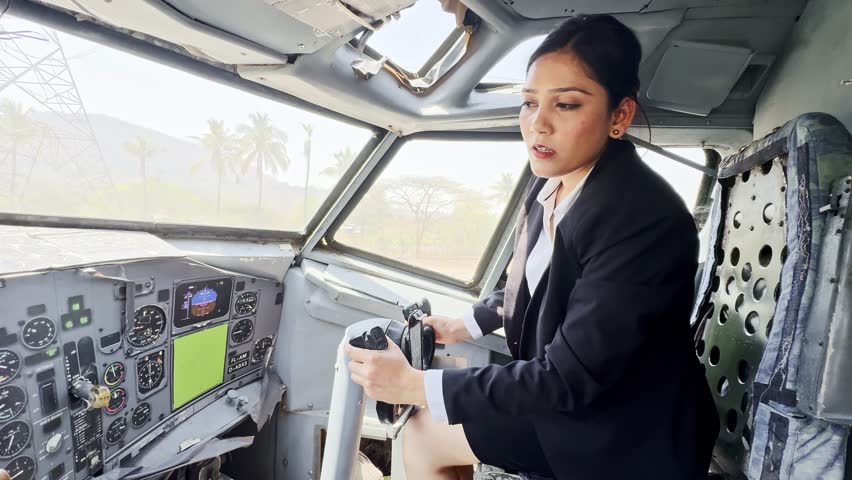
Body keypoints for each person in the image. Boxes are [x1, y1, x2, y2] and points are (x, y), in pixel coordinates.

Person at [344, 14, 719, 480]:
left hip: (627, 433)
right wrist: (464, 324)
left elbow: (566, 378)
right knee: (427, 426)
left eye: (566, 104)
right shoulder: (554, 181)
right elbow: (541, 282)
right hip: (580, 405)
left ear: (619, 116)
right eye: (528, 102)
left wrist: (415, 385)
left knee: (424, 432)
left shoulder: (644, 221)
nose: (537, 123)